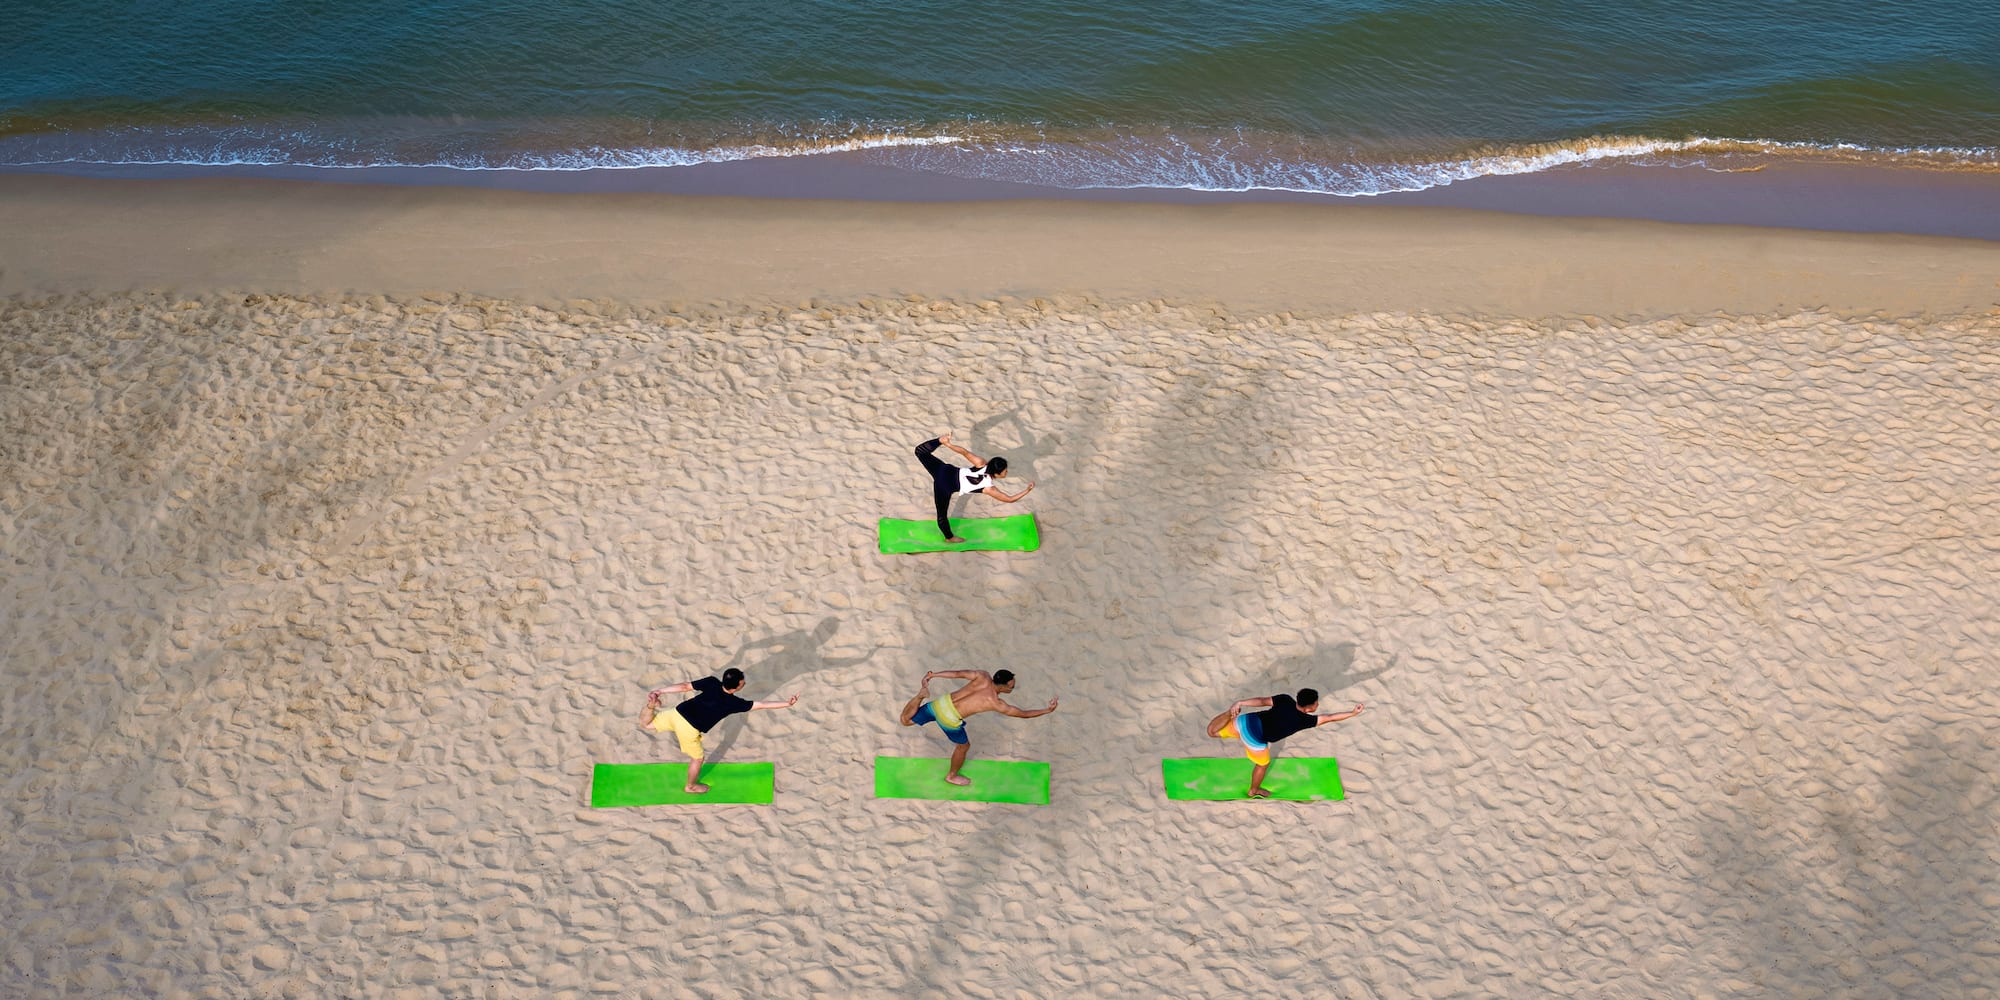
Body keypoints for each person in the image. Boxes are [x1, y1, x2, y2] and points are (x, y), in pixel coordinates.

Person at [639, 667, 798, 793]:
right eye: (742, 682)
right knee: (697, 759)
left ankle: (651, 706)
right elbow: (761, 705)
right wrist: (787, 704)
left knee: (647, 725)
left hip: (677, 713)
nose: (744, 683)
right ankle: (691, 787)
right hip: (689, 728)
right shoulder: (734, 703)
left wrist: (661, 691)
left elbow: (685, 686)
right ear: (736, 687)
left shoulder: (711, 682)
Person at [898, 669, 1056, 785]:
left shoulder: (982, 675)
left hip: (941, 703)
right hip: (949, 718)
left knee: (906, 720)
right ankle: (951, 776)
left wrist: (933, 675)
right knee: (963, 746)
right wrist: (1047, 710)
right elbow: (1023, 714)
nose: (1011, 689)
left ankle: (919, 696)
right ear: (1002, 687)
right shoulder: (996, 703)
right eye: (1011, 687)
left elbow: (957, 673)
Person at [1205, 689, 1364, 798]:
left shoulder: (1285, 699)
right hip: (1255, 738)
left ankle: (1228, 714)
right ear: (1309, 708)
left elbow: (1261, 701)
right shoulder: (1306, 720)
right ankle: (1254, 790)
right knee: (1263, 765)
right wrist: (1352, 713)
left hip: (1245, 721)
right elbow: (1330, 717)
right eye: (1316, 703)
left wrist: (1240, 703)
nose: (1318, 705)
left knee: (1212, 732)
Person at [913, 432, 1035, 543]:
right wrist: (1027, 490)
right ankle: (949, 538)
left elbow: (964, 452)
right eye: (1005, 471)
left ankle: (939, 440)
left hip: (945, 470)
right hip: (944, 486)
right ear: (997, 474)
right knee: (942, 516)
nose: (1007, 472)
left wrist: (948, 444)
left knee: (920, 451)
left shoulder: (981, 463)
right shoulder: (988, 488)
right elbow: (1009, 499)